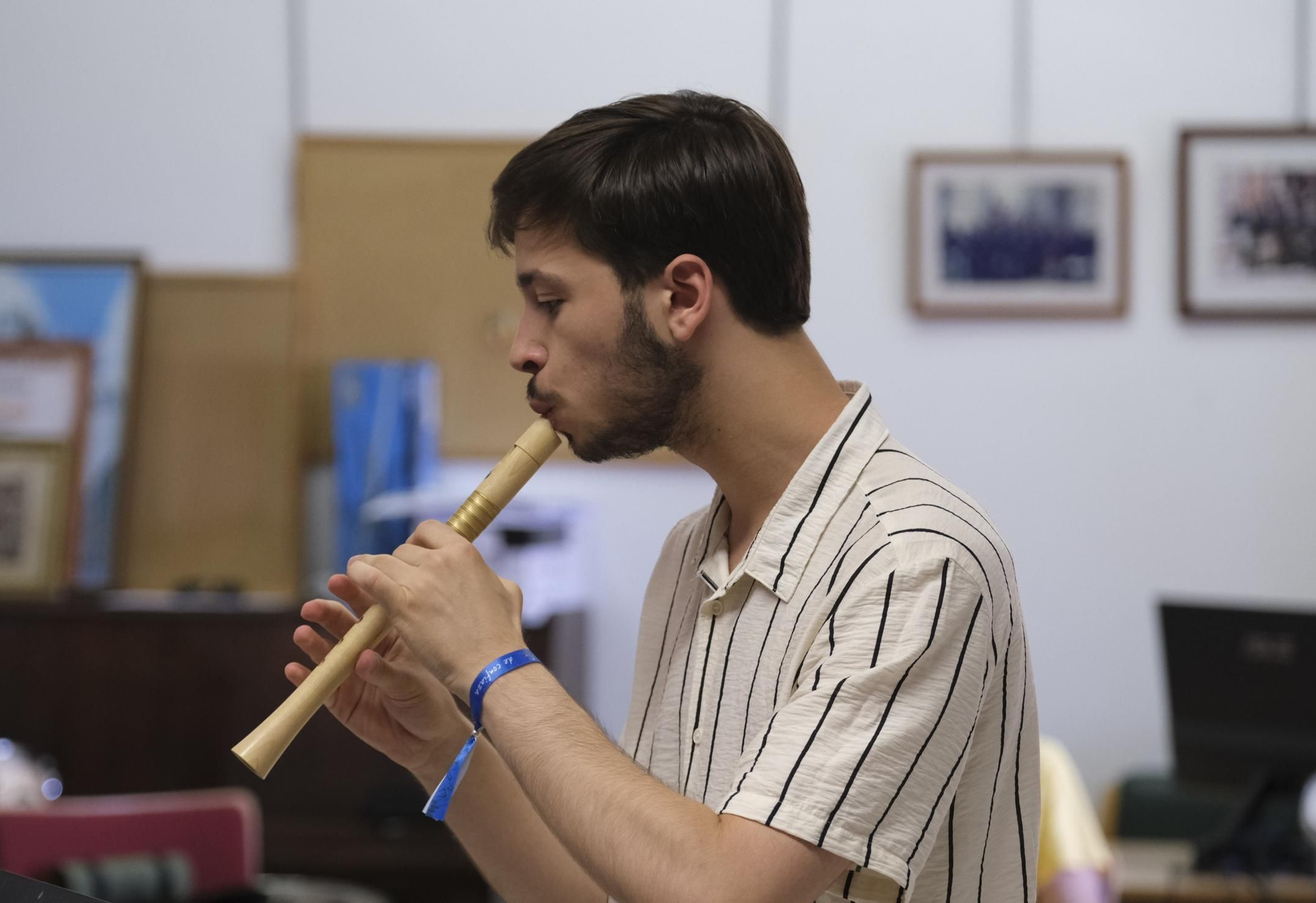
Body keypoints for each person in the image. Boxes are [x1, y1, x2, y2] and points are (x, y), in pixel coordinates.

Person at [286, 91, 1039, 903]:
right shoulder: (693, 554)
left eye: (551, 300)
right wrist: (444, 745)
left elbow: (723, 891)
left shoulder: (914, 561)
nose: (521, 349)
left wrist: (492, 663)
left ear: (682, 297)